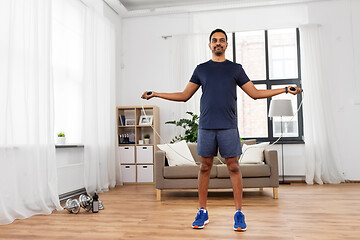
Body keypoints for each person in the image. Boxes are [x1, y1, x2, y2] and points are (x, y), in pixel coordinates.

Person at [141, 28, 302, 231]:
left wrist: (285, 89)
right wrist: (156, 94)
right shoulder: (201, 69)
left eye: (222, 40)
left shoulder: (236, 69)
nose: (218, 43)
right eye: (214, 40)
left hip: (228, 126)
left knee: (234, 167)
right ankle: (202, 211)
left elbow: (255, 93)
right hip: (207, 127)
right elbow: (184, 95)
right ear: (210, 45)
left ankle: (239, 213)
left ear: (226, 45)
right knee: (204, 167)